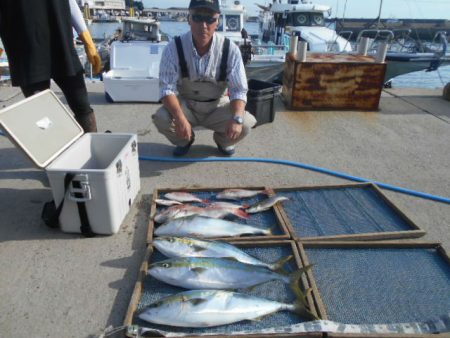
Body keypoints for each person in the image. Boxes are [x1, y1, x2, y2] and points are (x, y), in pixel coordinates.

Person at [153, 0, 256, 156]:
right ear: (189, 19)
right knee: (162, 118)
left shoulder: (231, 50)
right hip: (187, 106)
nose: (203, 25)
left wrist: (236, 119)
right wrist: (180, 119)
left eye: (210, 19)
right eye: (197, 18)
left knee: (245, 123)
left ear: (218, 21)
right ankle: (185, 140)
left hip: (218, 106)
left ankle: (223, 141)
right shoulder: (173, 47)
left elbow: (238, 90)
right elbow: (166, 89)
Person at [0, 0, 102, 132]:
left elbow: (69, 2)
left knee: (81, 105)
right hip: (25, 52)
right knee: (43, 116)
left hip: (61, 45)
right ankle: (56, 149)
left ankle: (93, 145)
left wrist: (87, 40)